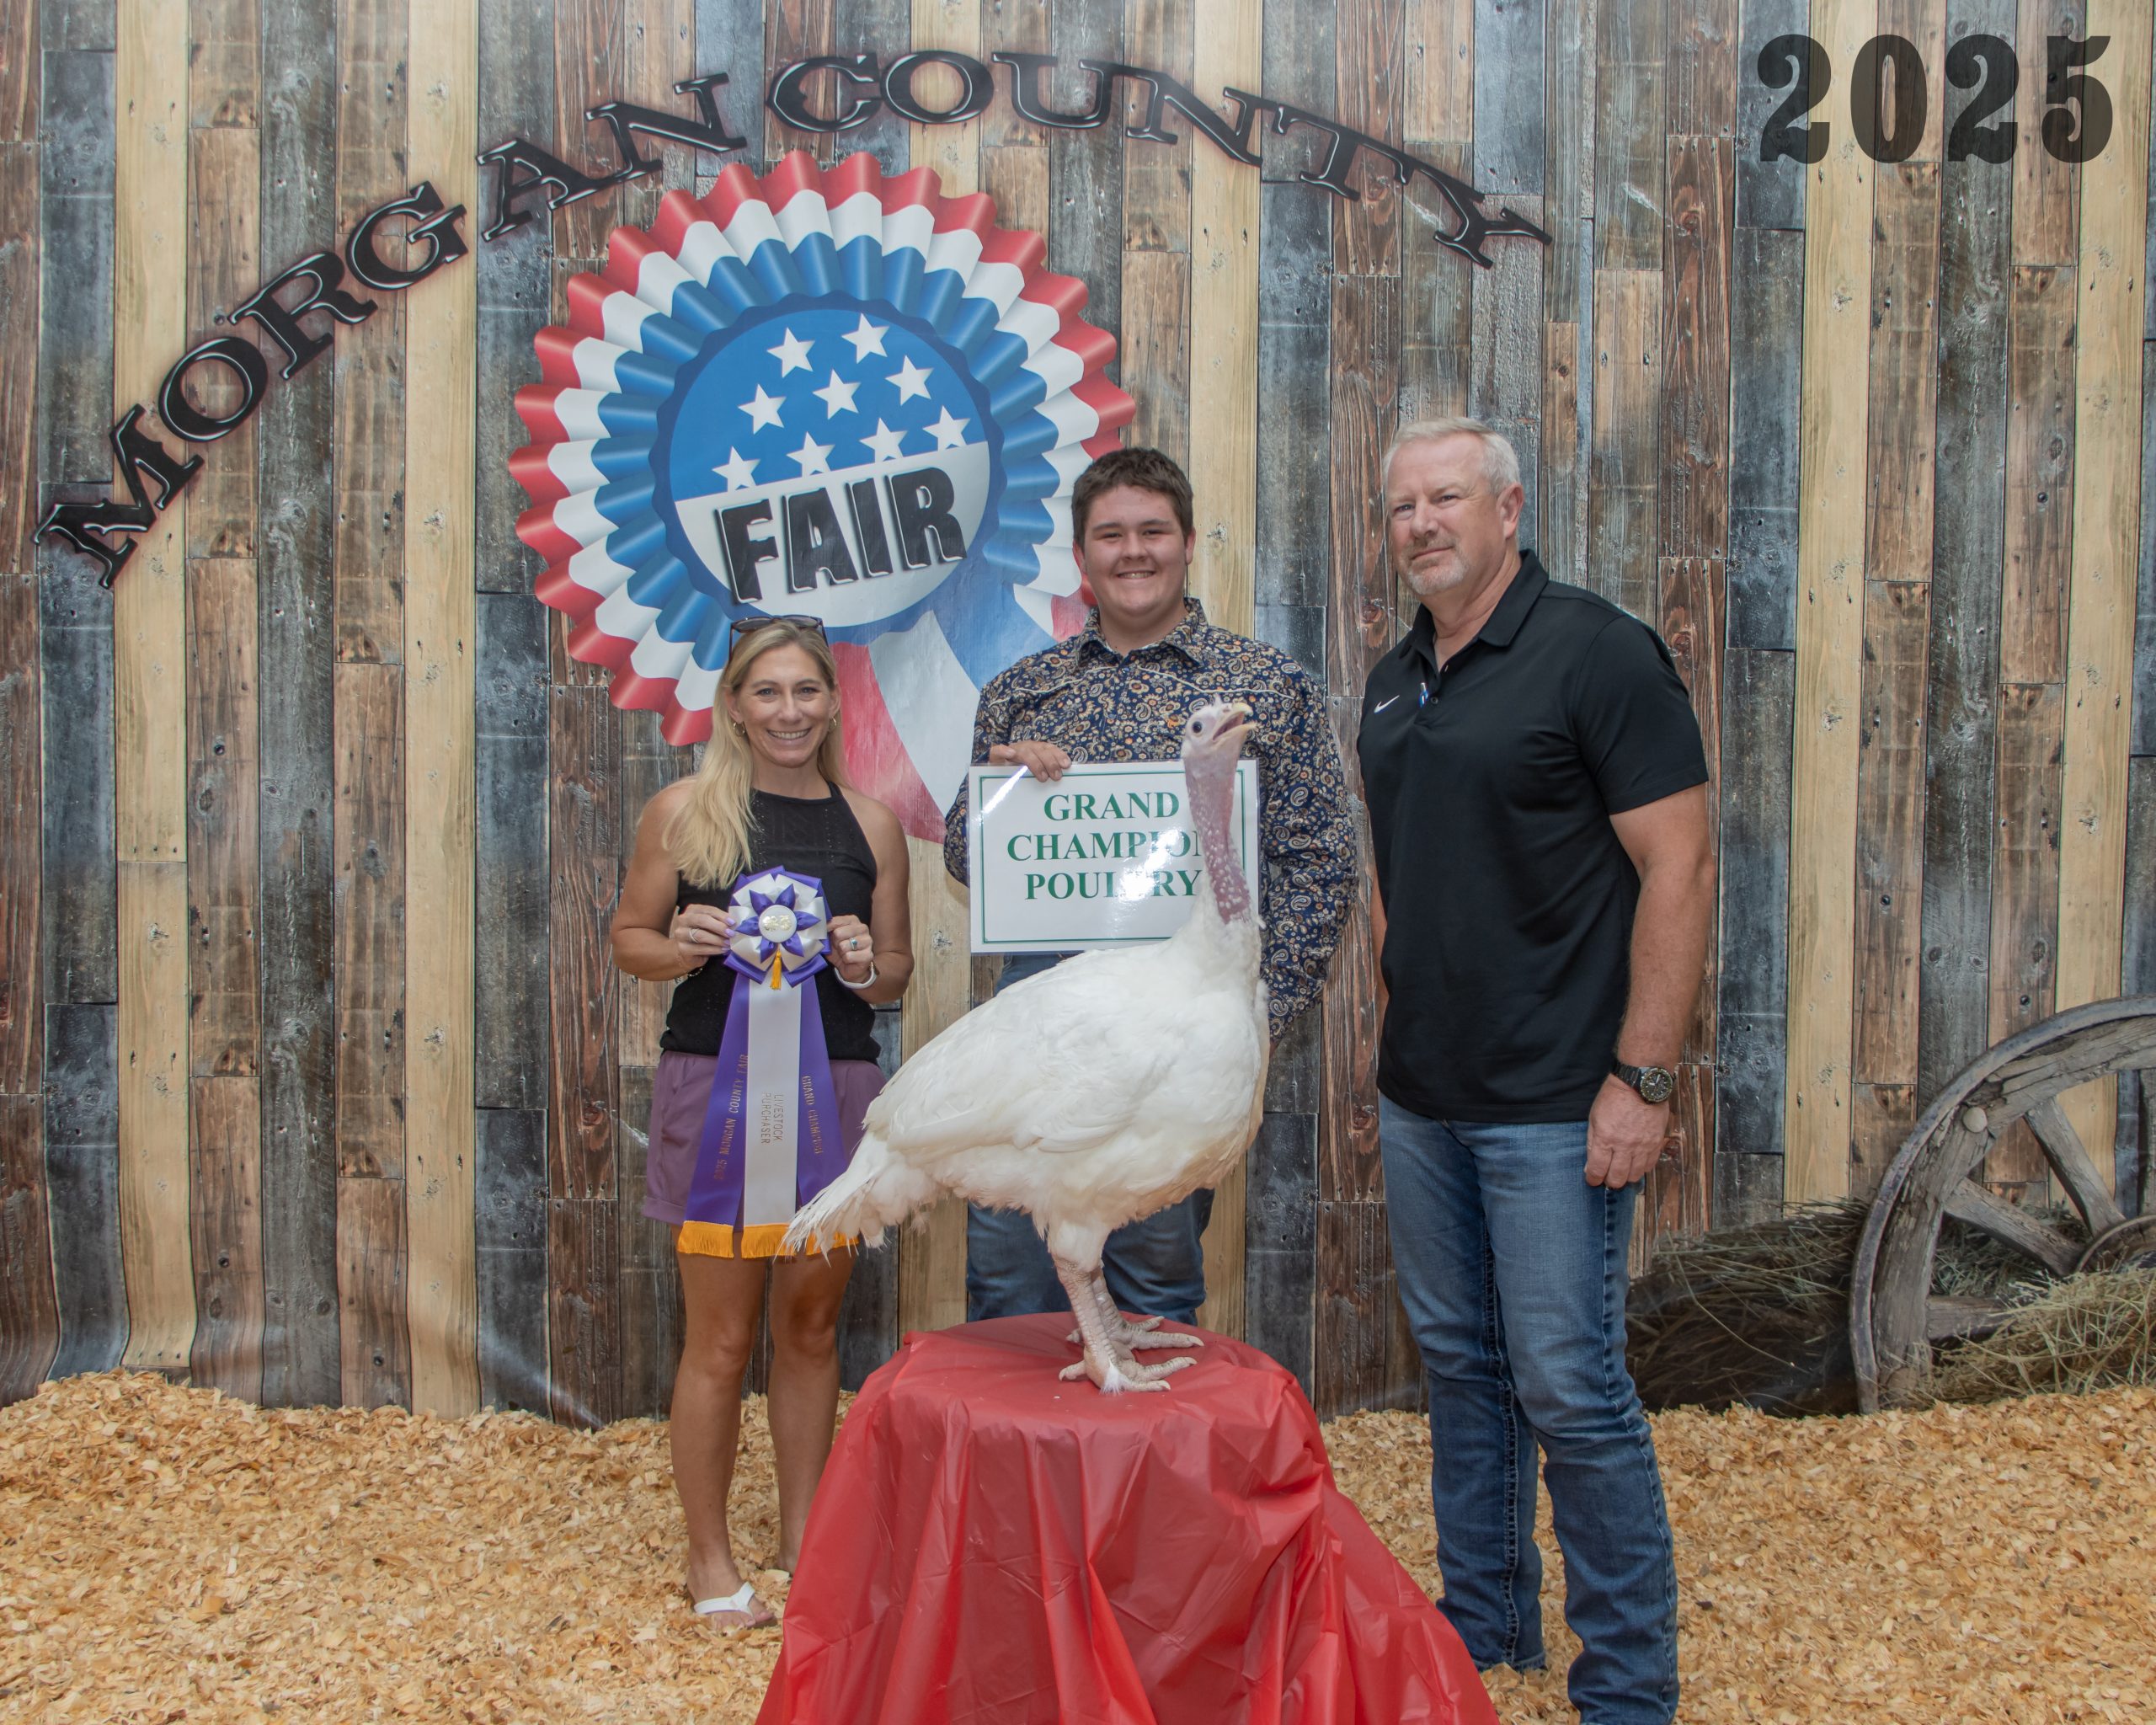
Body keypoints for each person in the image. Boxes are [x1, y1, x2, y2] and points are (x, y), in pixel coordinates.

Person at [1358, 419, 1711, 1725]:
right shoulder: (1395, 677)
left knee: (1571, 1382)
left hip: (1561, 1100)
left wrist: (1644, 1079)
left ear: (1509, 509)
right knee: (1462, 1367)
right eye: (1403, 506)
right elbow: (1398, 874)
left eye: (1447, 497)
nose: (1422, 523)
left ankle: (1626, 1684)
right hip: (1424, 1099)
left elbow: (1680, 866)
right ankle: (1488, 1629)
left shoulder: (1598, 653)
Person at [942, 446, 1355, 1325]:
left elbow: (1317, 862)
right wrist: (1000, 796)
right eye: (1111, 535)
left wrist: (1245, 1016)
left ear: (1189, 542)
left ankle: (1145, 1417)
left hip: (1178, 1048)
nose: (1134, 551)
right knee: (1011, 1289)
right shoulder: (1023, 692)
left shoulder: (1264, 688)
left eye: (1154, 531)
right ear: (1081, 555)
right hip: (1045, 1049)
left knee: (1157, 1290)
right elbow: (963, 855)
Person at [611, 617, 915, 1629]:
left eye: (806, 690)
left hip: (839, 1096)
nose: (790, 711)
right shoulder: (683, 812)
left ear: (832, 701)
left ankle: (804, 1541)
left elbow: (894, 971)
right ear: (735, 705)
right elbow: (629, 938)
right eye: (768, 691)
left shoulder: (871, 825)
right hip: (715, 1094)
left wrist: (866, 960)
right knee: (720, 1336)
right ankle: (709, 1560)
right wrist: (681, 943)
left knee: (811, 1327)